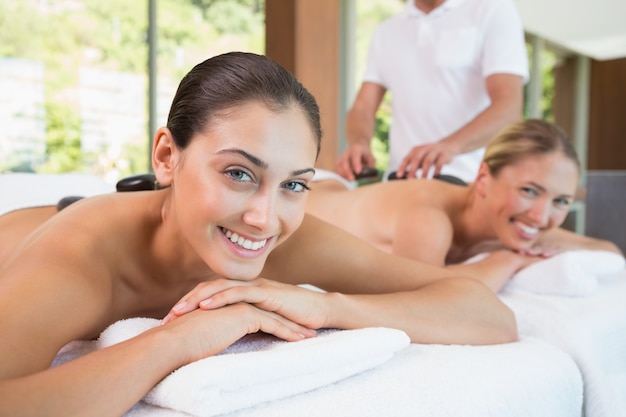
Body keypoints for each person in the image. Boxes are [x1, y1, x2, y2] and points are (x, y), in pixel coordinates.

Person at [0, 52, 517, 416]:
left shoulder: (287, 239)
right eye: (239, 173)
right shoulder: (79, 258)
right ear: (166, 156)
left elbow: (487, 314)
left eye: (293, 183)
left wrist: (328, 306)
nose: (265, 219)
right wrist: (175, 341)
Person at [309, 119, 624, 292]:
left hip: (344, 193)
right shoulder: (428, 218)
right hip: (305, 199)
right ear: (484, 178)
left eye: (560, 201)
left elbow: (607, 250)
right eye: (529, 190)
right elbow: (426, 298)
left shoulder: (520, 223)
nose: (541, 216)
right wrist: (505, 261)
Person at [336, 0, 529, 183]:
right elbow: (362, 108)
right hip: (401, 182)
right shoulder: (387, 31)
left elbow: (509, 108)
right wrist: (359, 143)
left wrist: (450, 146)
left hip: (469, 184)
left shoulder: (492, 9)